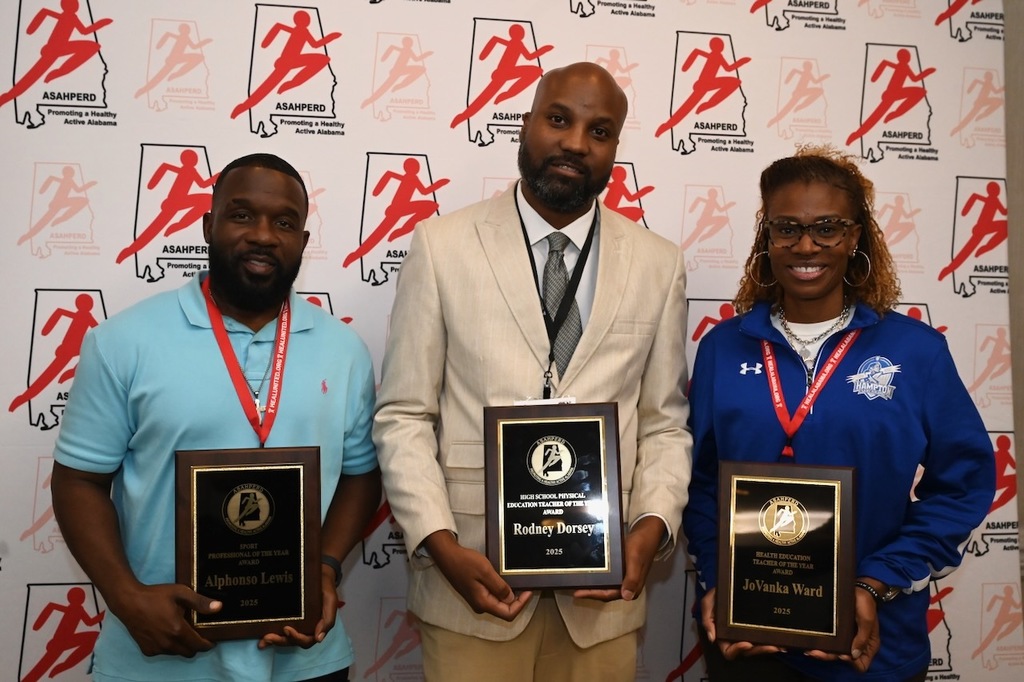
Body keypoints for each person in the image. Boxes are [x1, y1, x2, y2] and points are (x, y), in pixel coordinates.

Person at [373, 62, 691, 681]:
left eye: (599, 131)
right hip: (472, 587)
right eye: (558, 120)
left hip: (602, 605)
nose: (576, 143)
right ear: (525, 125)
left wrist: (650, 528)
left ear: (616, 148)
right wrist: (440, 545)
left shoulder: (659, 264)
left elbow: (664, 424)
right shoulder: (441, 246)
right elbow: (405, 414)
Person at [50, 153, 381, 682]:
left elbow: (362, 476)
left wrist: (325, 567)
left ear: (303, 240)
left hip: (304, 655)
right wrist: (126, 597)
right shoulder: (123, 341)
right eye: (242, 215)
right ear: (208, 225)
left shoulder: (344, 350)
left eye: (284, 222)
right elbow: (78, 481)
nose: (263, 235)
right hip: (161, 658)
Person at [682, 145, 995, 681]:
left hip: (871, 646)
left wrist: (876, 582)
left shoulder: (915, 351)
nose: (806, 245)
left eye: (827, 228)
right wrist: (719, 579)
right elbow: (700, 485)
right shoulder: (722, 348)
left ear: (855, 237)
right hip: (749, 642)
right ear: (766, 238)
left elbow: (963, 485)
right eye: (787, 228)